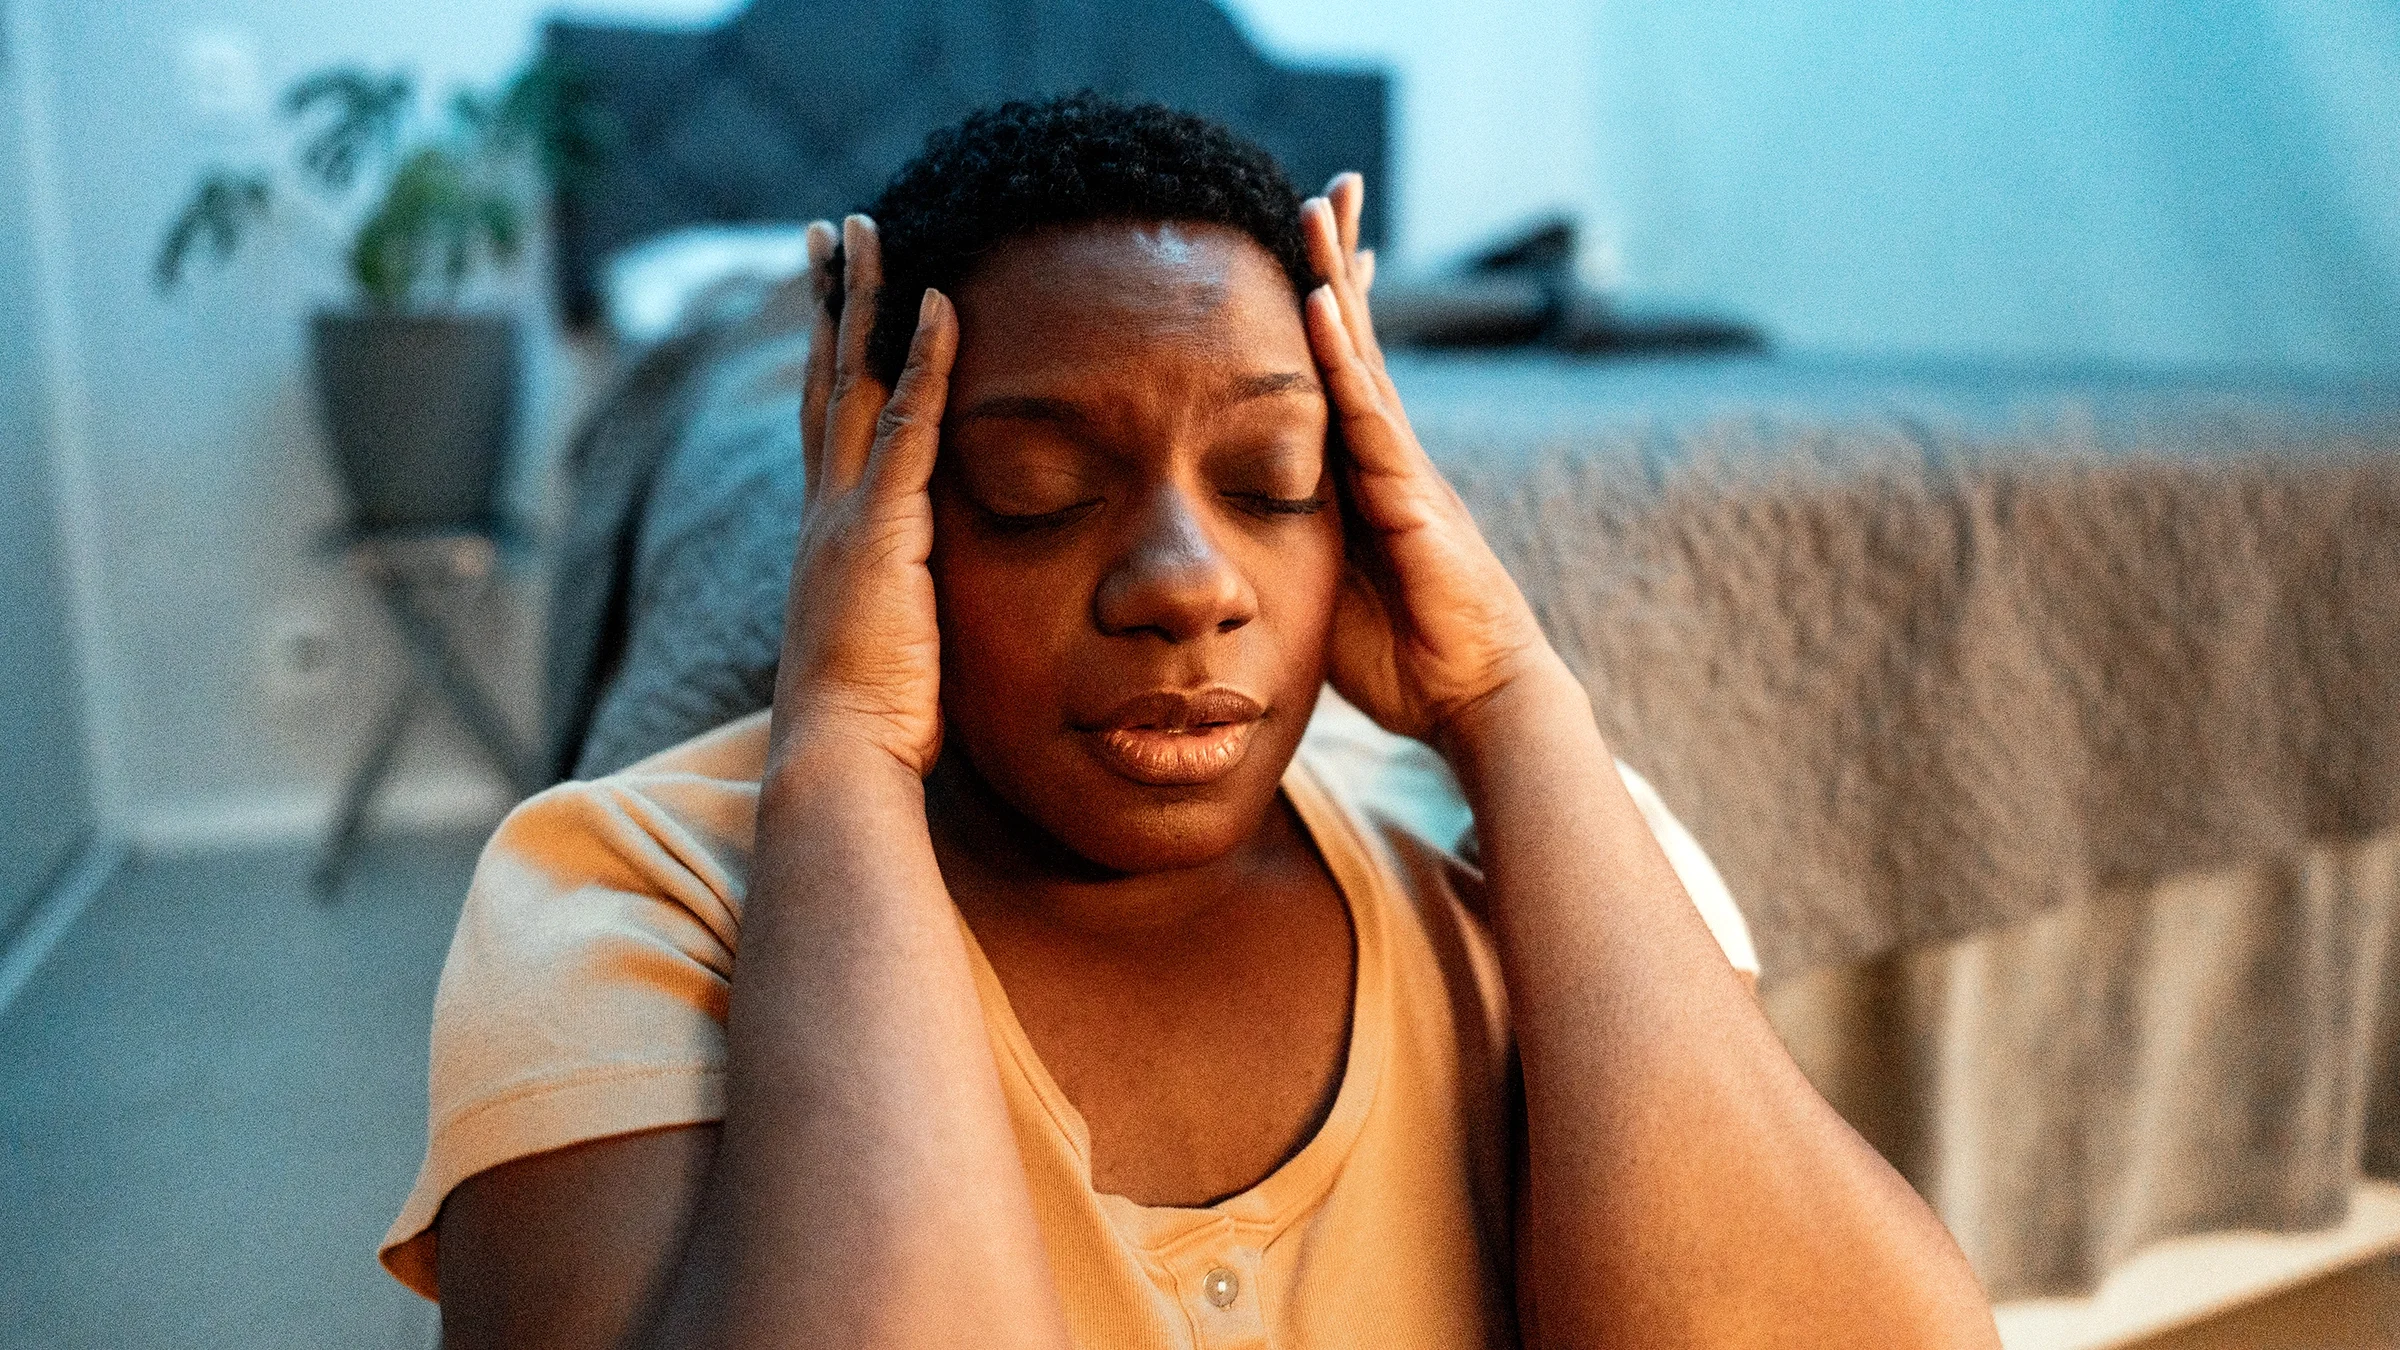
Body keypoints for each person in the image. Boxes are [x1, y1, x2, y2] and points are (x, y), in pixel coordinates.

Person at [381, 96, 1999, 1348]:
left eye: (1273, 481)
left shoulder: (1530, 858)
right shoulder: (617, 895)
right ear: (882, 495)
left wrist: (1515, 695)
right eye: (1038, 491)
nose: (1184, 583)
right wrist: (846, 743)